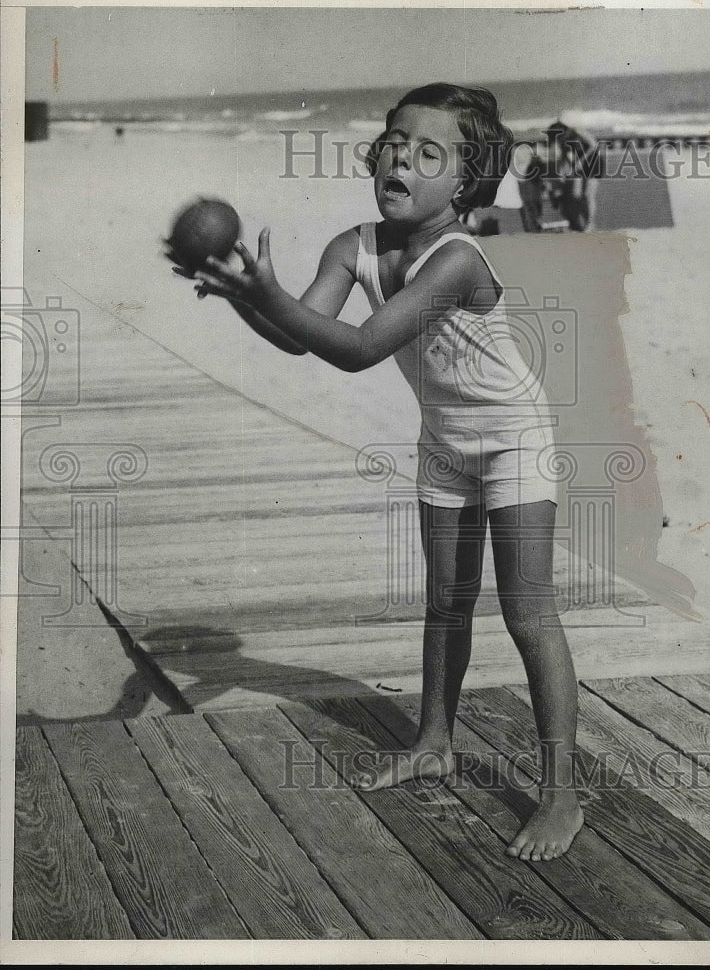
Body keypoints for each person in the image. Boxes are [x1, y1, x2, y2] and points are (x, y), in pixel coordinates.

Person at [178, 83, 584, 862]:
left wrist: (263, 292)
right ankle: (434, 740)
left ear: (463, 184)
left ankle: (562, 794)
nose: (402, 154)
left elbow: (361, 349)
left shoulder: (459, 258)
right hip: (444, 439)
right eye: (395, 140)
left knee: (528, 613)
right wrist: (242, 295)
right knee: (444, 601)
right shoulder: (352, 244)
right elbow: (302, 336)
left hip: (513, 439)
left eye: (429, 150)